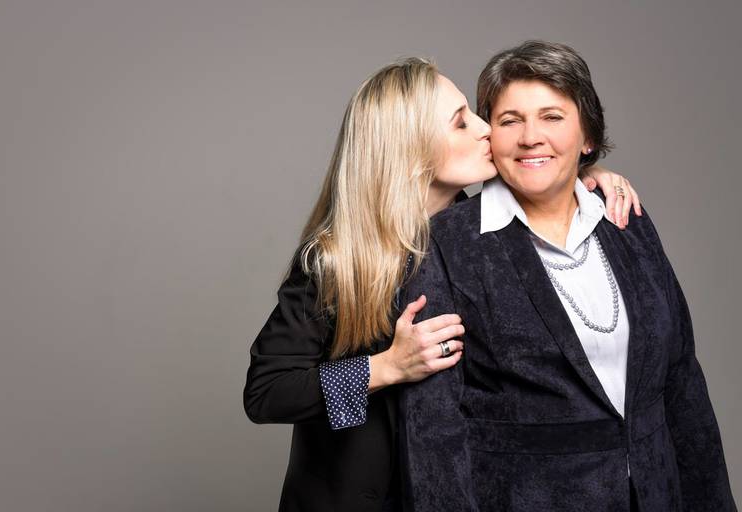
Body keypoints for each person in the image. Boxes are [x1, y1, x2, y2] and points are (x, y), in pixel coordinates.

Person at [244, 57, 641, 512]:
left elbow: (542, 185)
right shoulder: (334, 260)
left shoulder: (486, 237)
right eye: (460, 123)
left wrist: (583, 181)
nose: (485, 128)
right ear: (410, 150)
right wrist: (386, 367)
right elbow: (266, 393)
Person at [398, 41, 736, 512]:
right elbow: (435, 427)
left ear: (588, 137)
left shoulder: (628, 220)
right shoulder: (445, 244)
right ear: (489, 136)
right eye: (509, 120)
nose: (530, 136)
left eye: (552, 117)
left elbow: (682, 381)